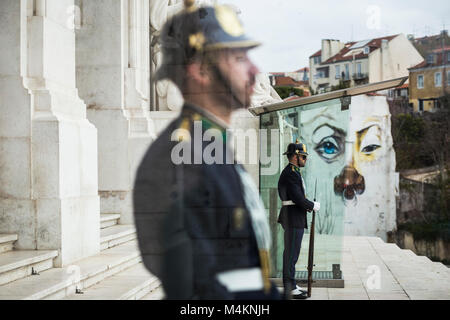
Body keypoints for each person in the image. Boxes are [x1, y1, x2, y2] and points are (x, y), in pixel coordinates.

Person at [133, 0, 280, 299]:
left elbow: (242, 265)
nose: (254, 70)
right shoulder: (183, 158)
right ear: (201, 70)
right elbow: (199, 289)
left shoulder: (210, 145)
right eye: (238, 58)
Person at [277, 142, 320, 299]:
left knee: (292, 253)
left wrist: (308, 205)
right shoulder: (290, 173)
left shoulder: (293, 172)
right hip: (293, 217)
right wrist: (312, 205)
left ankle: (292, 284)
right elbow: (297, 197)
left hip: (294, 216)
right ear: (295, 156)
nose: (305, 159)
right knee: (291, 254)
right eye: (303, 156)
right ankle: (289, 286)